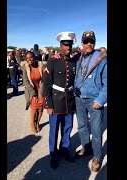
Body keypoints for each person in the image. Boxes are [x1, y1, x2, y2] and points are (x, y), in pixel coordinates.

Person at [73, 30, 107, 172]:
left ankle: (98, 157)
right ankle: (86, 148)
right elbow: (65, 60)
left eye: (91, 41)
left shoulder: (101, 58)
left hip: (94, 100)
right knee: (82, 127)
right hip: (79, 99)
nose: (89, 44)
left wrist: (100, 99)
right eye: (86, 41)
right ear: (82, 43)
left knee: (96, 130)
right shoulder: (79, 57)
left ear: (94, 42)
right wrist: (55, 57)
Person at [43, 32, 77, 169]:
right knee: (54, 130)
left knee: (67, 129)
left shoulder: (74, 61)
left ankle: (65, 150)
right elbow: (46, 84)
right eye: (65, 44)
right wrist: (48, 105)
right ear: (60, 46)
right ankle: (53, 155)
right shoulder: (52, 61)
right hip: (56, 102)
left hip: (69, 102)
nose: (68, 47)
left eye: (70, 44)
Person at [22, 51, 44, 133]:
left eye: (31, 57)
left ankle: (37, 122)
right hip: (32, 91)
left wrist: (40, 93)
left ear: (34, 57)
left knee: (41, 109)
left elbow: (44, 80)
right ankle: (32, 123)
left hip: (40, 90)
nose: (29, 59)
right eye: (27, 58)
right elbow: (26, 82)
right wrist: (34, 94)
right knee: (34, 109)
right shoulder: (25, 68)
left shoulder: (40, 66)